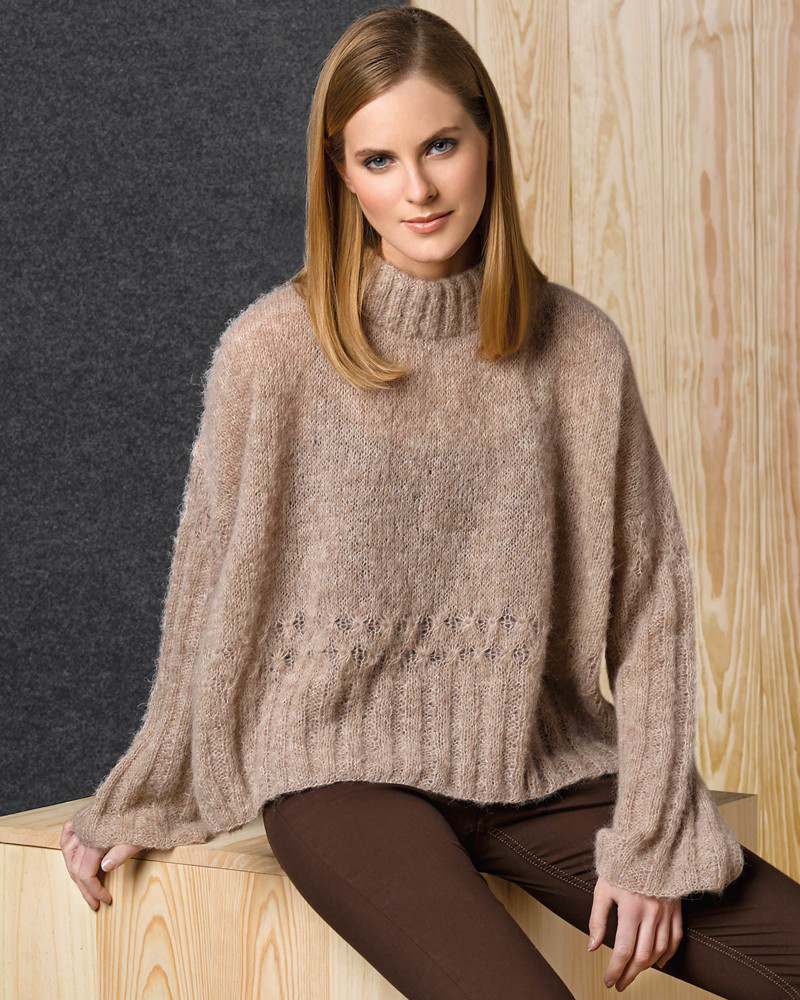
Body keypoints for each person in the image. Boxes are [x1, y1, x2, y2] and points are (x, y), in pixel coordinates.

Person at [62, 7, 800, 998]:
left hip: (542, 761)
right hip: (340, 776)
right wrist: (151, 783)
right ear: (341, 176)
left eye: (440, 146)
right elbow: (208, 589)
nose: (416, 189)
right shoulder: (271, 353)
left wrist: (655, 838)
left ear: (487, 140)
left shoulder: (578, 350)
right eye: (378, 160)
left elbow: (650, 602)